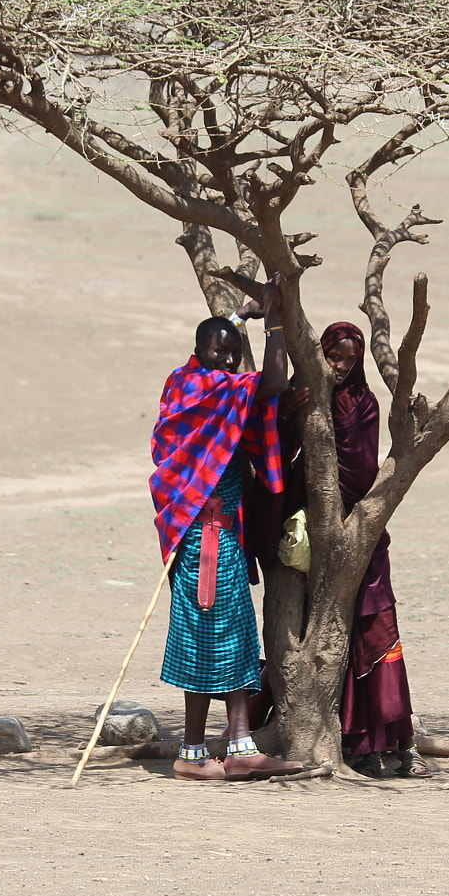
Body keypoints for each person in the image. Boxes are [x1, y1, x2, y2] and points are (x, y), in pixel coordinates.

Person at [150, 289, 306, 781]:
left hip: (224, 540)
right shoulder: (197, 389)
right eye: (219, 353)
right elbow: (275, 380)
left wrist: (240, 317)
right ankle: (193, 752)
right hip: (202, 541)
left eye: (232, 356)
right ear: (200, 352)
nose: (228, 362)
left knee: (234, 640)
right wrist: (275, 321)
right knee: (202, 640)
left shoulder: (200, 387)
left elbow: (257, 386)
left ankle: (235, 747)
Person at [317, 321, 432, 778]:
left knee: (380, 634)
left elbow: (363, 471)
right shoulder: (308, 403)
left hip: (364, 539)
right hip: (321, 544)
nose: (342, 367)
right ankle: (360, 746)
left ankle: (403, 744)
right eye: (335, 358)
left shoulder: (364, 403)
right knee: (337, 646)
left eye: (350, 359)